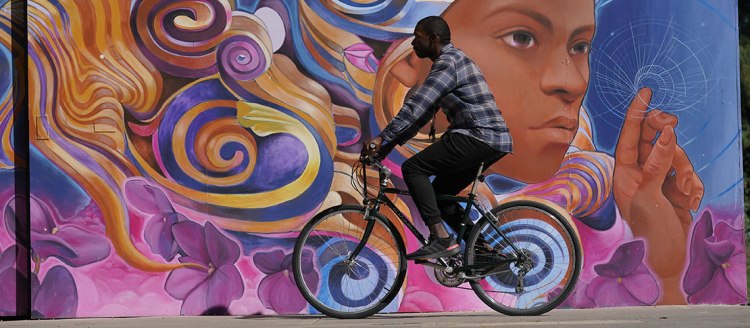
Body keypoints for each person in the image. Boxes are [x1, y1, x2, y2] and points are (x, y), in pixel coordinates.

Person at [364, 16, 513, 260]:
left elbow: (416, 106)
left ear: (433, 39)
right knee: (441, 197)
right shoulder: (449, 63)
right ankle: (484, 253)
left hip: (479, 135)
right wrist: (385, 148)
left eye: (417, 37)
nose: (413, 43)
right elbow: (421, 117)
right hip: (490, 140)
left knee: (413, 169)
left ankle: (441, 239)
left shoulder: (448, 63)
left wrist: (381, 139)